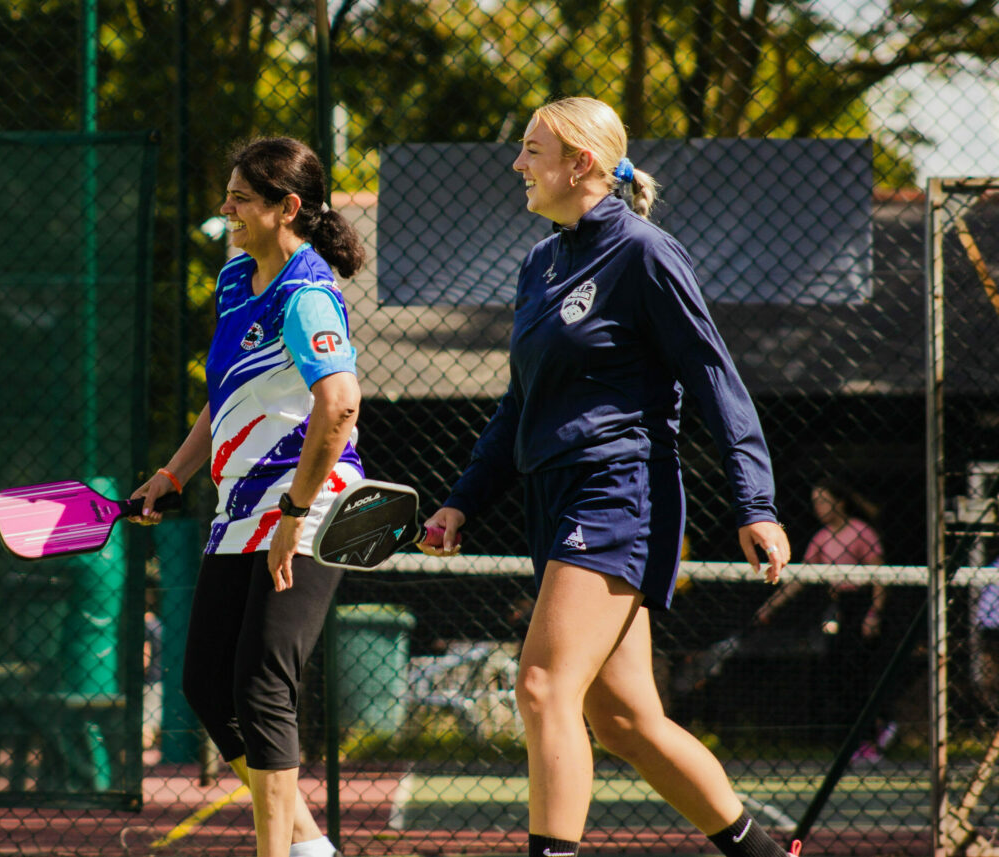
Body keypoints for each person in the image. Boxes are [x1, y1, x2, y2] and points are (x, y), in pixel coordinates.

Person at [419, 97, 796, 857]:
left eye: (531, 150)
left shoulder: (645, 253)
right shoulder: (540, 262)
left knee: (541, 686)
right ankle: (766, 854)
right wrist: (463, 499)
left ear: (580, 164)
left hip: (620, 492)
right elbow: (520, 403)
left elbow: (716, 379)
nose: (517, 164)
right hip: (554, 498)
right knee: (625, 721)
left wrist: (756, 501)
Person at [130, 136, 371, 857]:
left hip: (307, 507)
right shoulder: (237, 278)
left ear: (286, 207)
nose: (226, 206)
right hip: (238, 510)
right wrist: (173, 472)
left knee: (264, 686)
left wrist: (295, 515)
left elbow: (339, 406)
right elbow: (226, 397)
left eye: (240, 196)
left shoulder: (308, 293)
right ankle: (309, 846)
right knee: (206, 682)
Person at [754, 477, 892, 761]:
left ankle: (875, 732)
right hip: (838, 609)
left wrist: (874, 613)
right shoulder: (822, 537)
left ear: (839, 502)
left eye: (823, 500)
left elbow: (880, 577)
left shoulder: (860, 532)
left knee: (860, 674)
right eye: (815, 501)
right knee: (838, 672)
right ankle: (858, 737)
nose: (817, 507)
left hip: (861, 606)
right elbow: (800, 579)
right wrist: (770, 606)